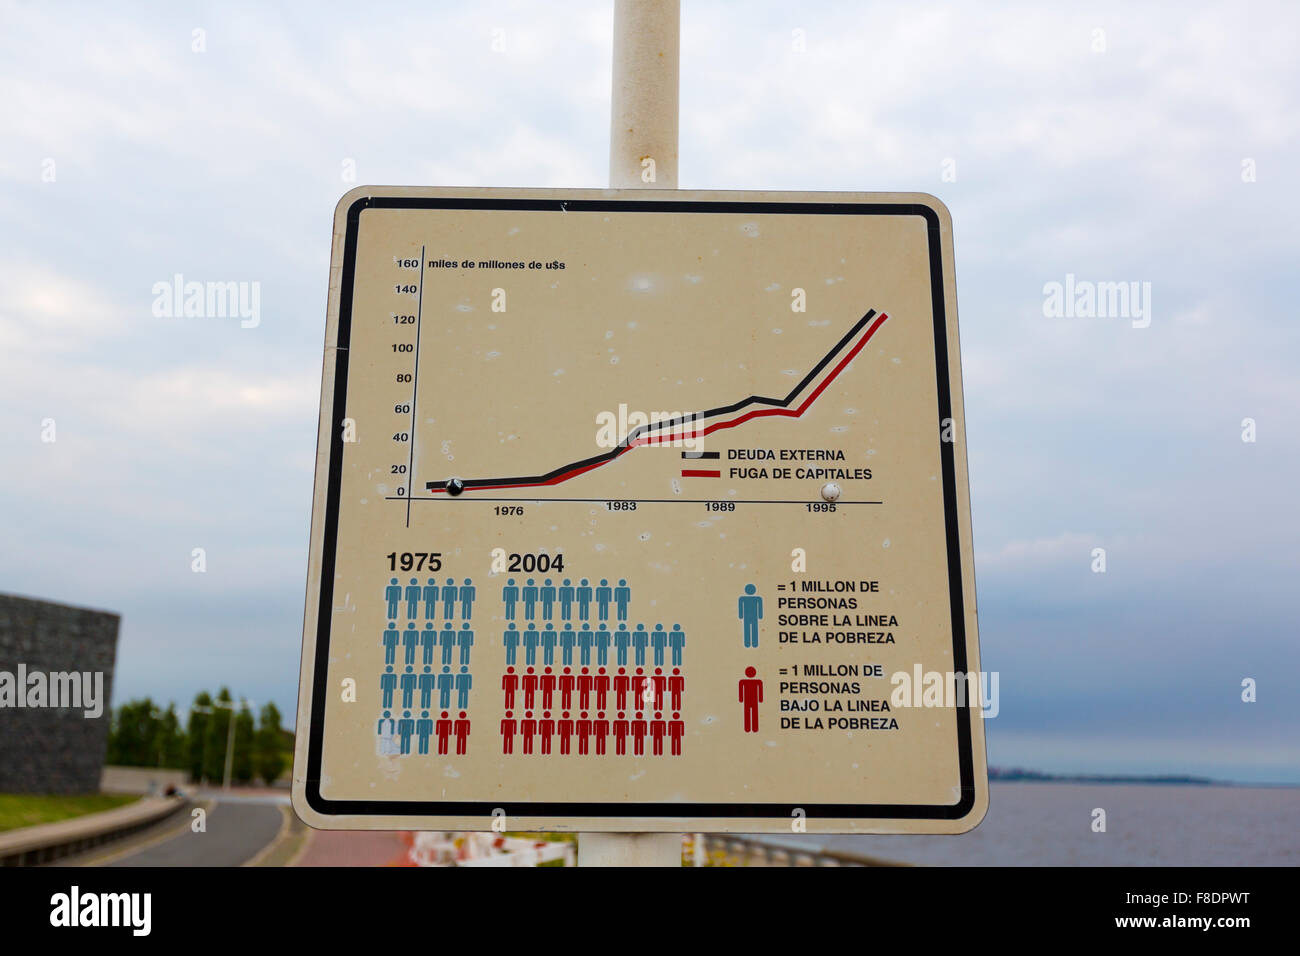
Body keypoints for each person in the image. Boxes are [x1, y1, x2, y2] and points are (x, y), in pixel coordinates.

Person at [739, 666, 763, 732]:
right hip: (748, 700)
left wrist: (760, 699)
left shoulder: (758, 682)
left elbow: (760, 690)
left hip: (753, 700)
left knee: (754, 713)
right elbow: (741, 690)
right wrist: (741, 699)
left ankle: (754, 728)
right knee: (747, 713)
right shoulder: (742, 682)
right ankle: (747, 728)